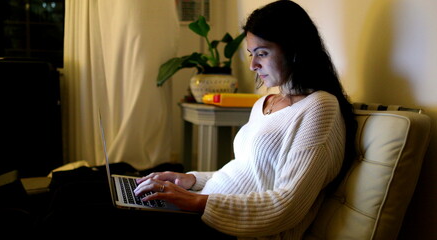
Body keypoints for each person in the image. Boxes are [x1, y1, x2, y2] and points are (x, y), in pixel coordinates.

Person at [134, 0, 357, 239]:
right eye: (251, 54)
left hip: (234, 228)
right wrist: (191, 180)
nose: (253, 65)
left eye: (262, 53)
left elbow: (287, 204)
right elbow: (246, 172)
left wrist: (195, 201)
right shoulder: (264, 103)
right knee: (112, 190)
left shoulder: (320, 106)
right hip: (206, 210)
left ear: (294, 50)